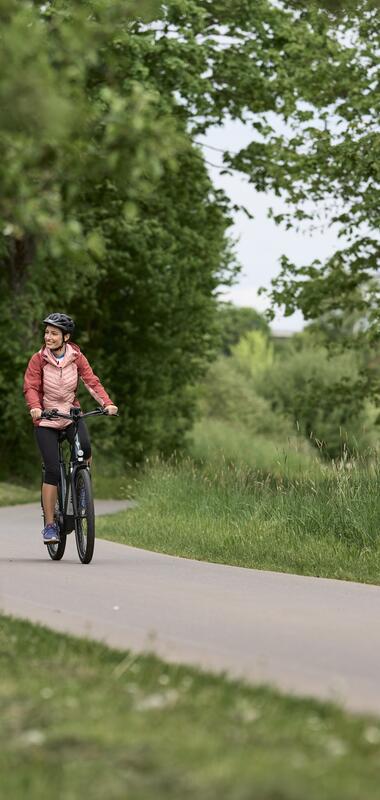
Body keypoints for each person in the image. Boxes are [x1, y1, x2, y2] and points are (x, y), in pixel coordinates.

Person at [23, 313, 118, 545]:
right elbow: (31, 387)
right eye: (47, 332)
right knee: (53, 471)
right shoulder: (38, 359)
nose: (49, 337)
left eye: (54, 333)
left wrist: (107, 403)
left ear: (66, 337)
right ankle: (49, 525)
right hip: (46, 419)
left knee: (85, 451)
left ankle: (81, 491)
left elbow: (91, 381)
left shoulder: (77, 357)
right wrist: (35, 407)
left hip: (70, 415)